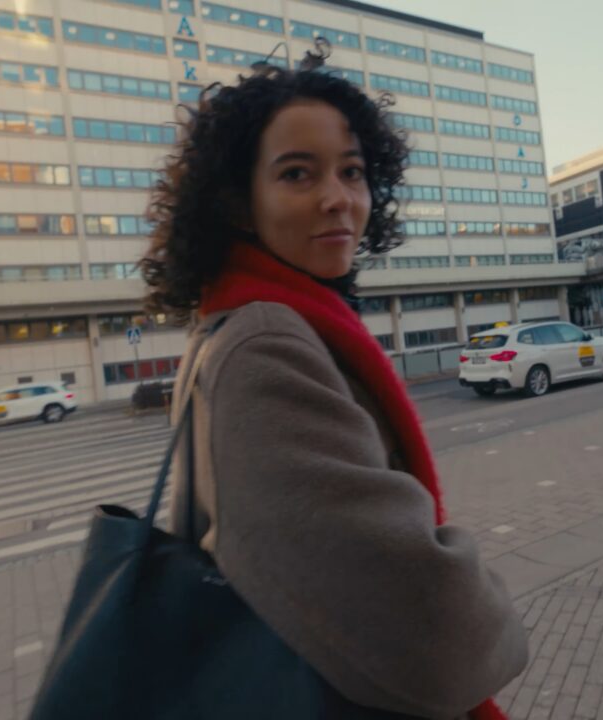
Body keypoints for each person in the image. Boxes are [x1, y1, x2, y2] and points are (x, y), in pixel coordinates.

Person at [141, 44, 529, 719]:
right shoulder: (265, 343)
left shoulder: (234, 324)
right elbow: (433, 634)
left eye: (352, 172)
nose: (337, 200)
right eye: (297, 174)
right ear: (238, 203)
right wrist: (481, 592)